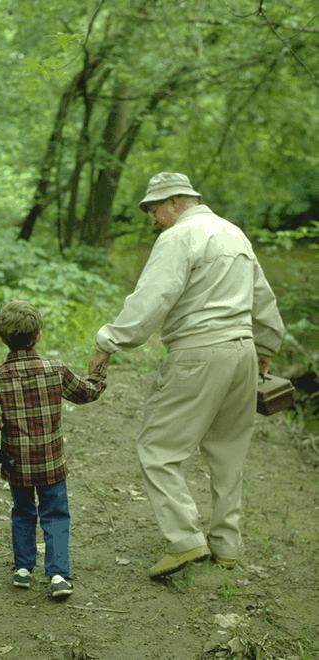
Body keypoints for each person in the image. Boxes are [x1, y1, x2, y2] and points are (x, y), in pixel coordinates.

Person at [89, 172, 285, 578]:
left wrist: (109, 341)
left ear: (175, 202)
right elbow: (263, 296)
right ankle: (226, 545)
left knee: (157, 448)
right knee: (229, 451)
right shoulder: (235, 235)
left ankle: (185, 541)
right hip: (243, 352)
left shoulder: (179, 237)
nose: (153, 218)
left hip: (198, 351)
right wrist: (265, 347)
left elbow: (152, 298)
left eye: (154, 209)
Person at [0, 301, 106, 598]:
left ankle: (23, 570)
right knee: (56, 514)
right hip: (51, 464)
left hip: (17, 464)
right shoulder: (55, 370)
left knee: (22, 512)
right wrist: (98, 374)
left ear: (3, 338)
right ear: (38, 335)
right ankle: (58, 574)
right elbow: (87, 393)